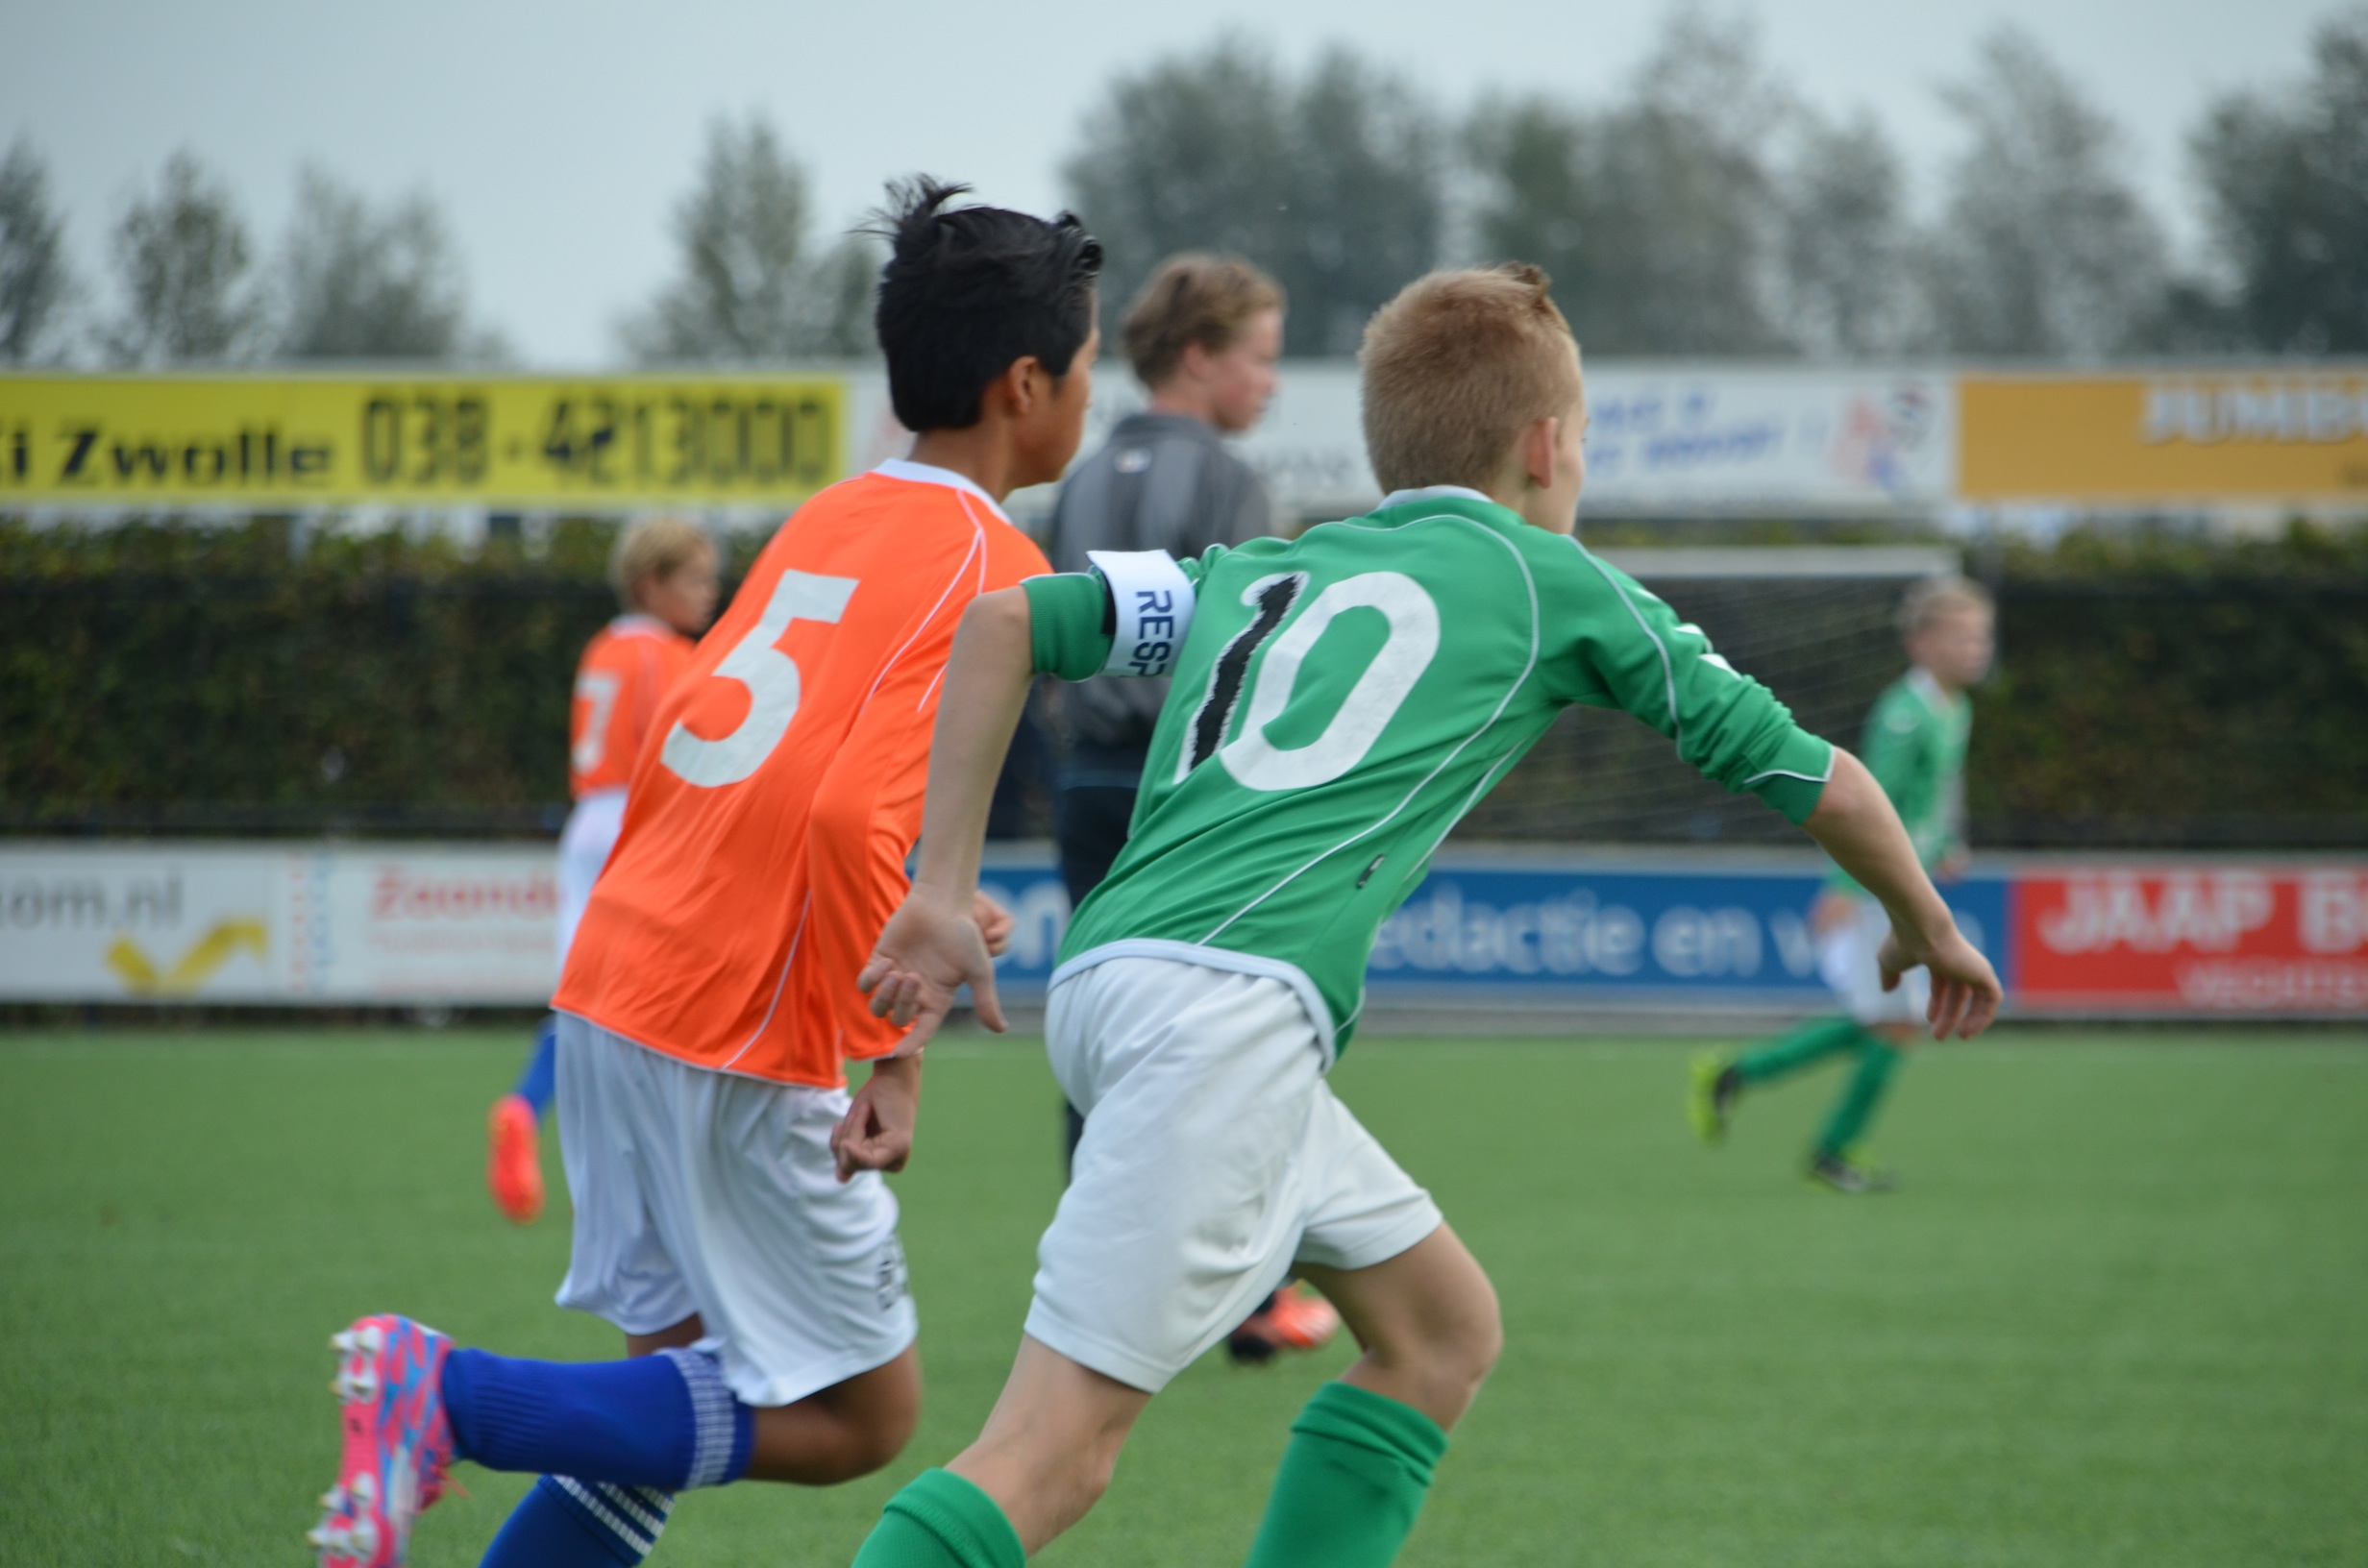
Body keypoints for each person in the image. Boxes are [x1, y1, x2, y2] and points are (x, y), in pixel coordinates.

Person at [837, 263, 2003, 1568]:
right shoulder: (1550, 581)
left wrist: (940, 887)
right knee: (1050, 1456)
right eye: (1583, 446)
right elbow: (1824, 780)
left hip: (1115, 980)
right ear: (1545, 447)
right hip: (1225, 1016)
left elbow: (1006, 620)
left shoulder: (1261, 569)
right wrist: (1926, 922)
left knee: (1441, 1332)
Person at [307, 179, 1102, 1568]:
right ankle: (445, 1393)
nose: (1093, 394)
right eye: (1089, 365)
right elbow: (845, 810)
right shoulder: (995, 566)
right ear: (1025, 384)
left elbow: (743, 759)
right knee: (859, 1417)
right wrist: (893, 1046)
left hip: (624, 977)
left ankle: (448, 1406)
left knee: (660, 1420)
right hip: (740, 1022)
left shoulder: (832, 513)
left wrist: (903, 911)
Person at [1041, 252, 1334, 1362]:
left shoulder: (1075, 479)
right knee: (1225, 1032)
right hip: (1186, 792)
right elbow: (1250, 655)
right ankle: (1250, 1300)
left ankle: (1095, 1291)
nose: (1270, 382)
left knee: (1102, 1028)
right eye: (1259, 357)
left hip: (1086, 783)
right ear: (1200, 358)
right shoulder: (1229, 482)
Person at [1689, 576, 1996, 1191]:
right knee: (1895, 1023)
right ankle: (1829, 1149)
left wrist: (1944, 846)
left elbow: (1930, 798)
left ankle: (1738, 1076)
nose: (1976, 649)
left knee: (1880, 1020)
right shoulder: (1903, 714)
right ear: (1921, 642)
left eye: (1982, 637)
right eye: (1962, 637)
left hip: (1911, 880)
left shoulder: (1954, 708)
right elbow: (1862, 802)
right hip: (1881, 883)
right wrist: (1842, 885)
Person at [485, 516, 719, 1225]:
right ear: (651, 584)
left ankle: (526, 1104)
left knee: (587, 997)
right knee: (663, 997)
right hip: (640, 826)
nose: (709, 593)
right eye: (695, 579)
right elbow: (689, 756)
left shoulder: (603, 647)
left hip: (589, 820)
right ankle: (664, 1156)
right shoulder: (669, 656)